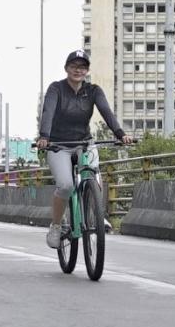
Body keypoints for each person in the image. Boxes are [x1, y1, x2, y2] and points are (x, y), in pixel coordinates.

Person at [37, 49, 133, 249]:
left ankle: (96, 216)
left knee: (93, 175)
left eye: (82, 67)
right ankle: (56, 225)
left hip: (84, 143)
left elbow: (106, 111)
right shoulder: (56, 89)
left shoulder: (93, 91)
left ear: (87, 71)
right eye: (73, 66)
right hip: (58, 145)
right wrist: (44, 136)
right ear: (66, 68)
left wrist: (120, 133)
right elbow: (48, 111)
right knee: (65, 185)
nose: (77, 71)